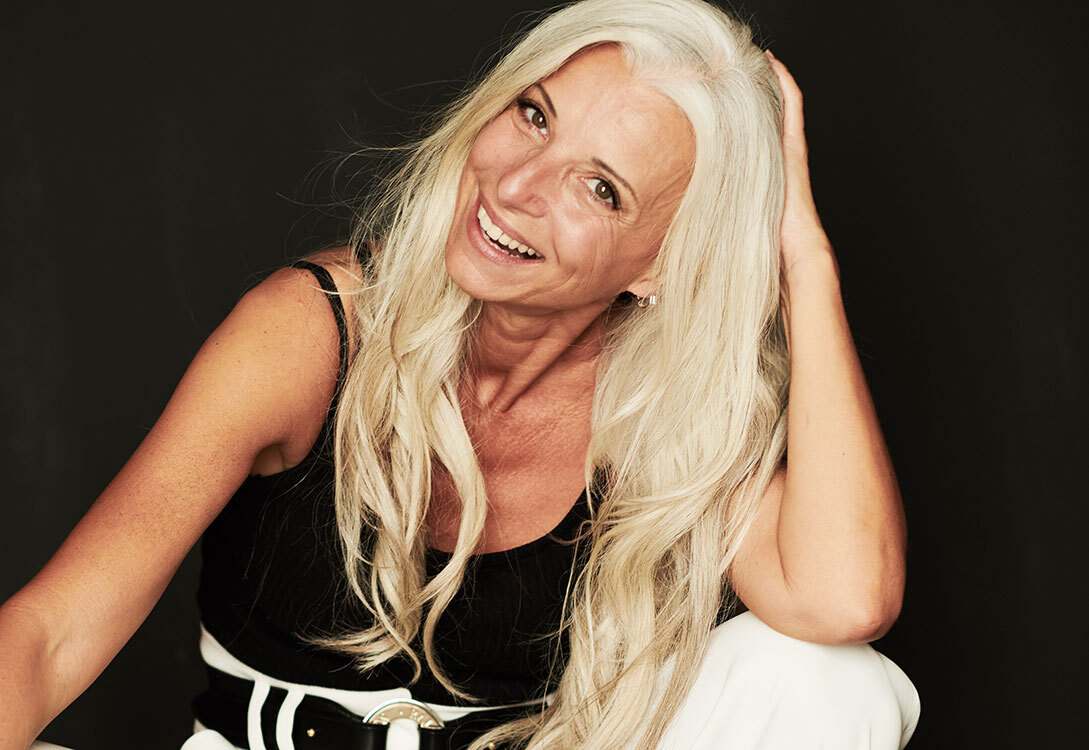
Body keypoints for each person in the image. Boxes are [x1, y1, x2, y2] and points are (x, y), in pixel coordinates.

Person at [1, 0, 921, 748]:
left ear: (662, 264)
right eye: (534, 115)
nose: (516, 186)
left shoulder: (668, 413)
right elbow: (49, 637)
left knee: (828, 676)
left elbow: (844, 600)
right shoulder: (311, 330)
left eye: (599, 188)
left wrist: (802, 259)